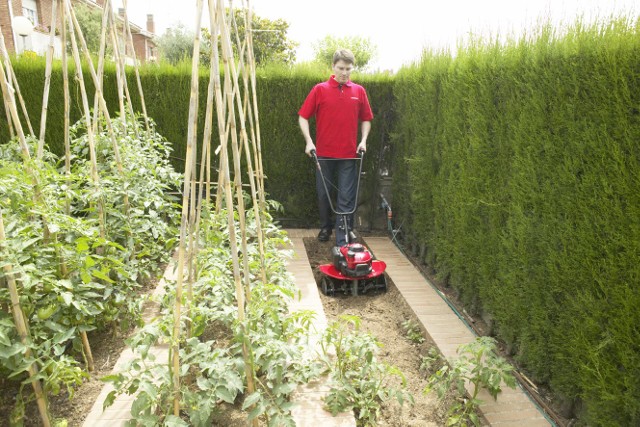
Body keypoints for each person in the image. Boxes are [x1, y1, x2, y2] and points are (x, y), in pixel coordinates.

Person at [298, 49, 373, 246]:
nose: (344, 72)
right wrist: (309, 141)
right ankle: (326, 227)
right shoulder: (320, 90)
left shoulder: (359, 91)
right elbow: (303, 116)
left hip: (349, 155)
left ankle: (343, 237)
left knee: (346, 196)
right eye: (341, 68)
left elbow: (366, 119)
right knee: (324, 194)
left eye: (348, 69)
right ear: (333, 67)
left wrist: (363, 140)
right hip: (323, 154)